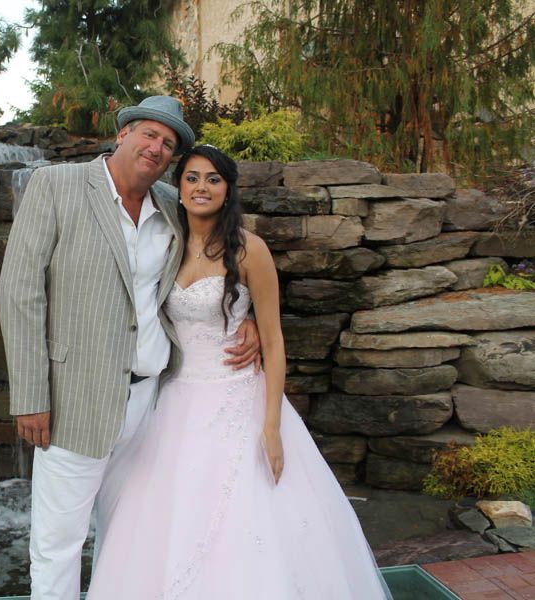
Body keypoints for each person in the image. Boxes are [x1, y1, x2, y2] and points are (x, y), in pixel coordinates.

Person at [86, 145, 393, 599]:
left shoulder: (250, 250)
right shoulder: (165, 242)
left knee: (248, 520)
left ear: (228, 190)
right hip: (175, 401)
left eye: (213, 179)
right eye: (192, 178)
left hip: (237, 399)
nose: (201, 187)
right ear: (179, 187)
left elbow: (273, 340)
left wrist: (271, 426)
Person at [0, 98, 261, 600]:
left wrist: (242, 314)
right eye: (149, 135)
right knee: (59, 544)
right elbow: (19, 291)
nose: (157, 148)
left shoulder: (171, 203)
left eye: (168, 144)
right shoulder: (56, 186)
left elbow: (230, 247)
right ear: (123, 134)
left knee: (129, 540)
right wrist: (30, 395)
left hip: (155, 404)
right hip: (75, 400)